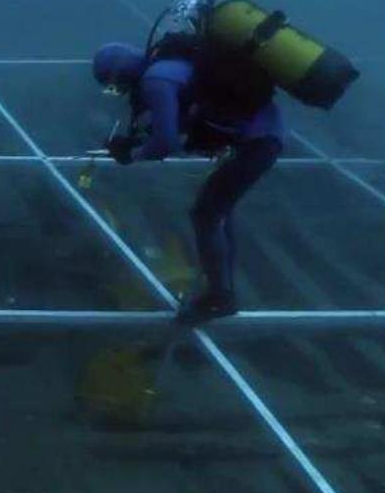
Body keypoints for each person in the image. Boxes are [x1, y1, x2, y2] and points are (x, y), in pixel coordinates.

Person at [91, 37, 284, 326]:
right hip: (265, 136)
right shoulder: (171, 67)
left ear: (120, 74)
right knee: (219, 210)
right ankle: (223, 288)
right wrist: (139, 142)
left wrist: (132, 154)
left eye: (114, 86)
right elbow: (182, 122)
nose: (118, 93)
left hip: (258, 143)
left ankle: (220, 297)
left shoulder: (156, 80)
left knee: (206, 214)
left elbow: (166, 141)